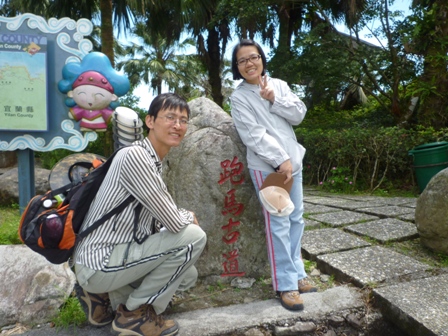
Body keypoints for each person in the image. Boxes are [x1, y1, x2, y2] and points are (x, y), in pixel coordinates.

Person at [73, 93, 207, 336]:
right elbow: (176, 222)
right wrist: (189, 216)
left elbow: (157, 222)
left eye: (183, 120)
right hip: (101, 260)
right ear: (150, 121)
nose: (177, 125)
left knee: (187, 276)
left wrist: (182, 216)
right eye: (170, 117)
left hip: (115, 254)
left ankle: (104, 296)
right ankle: (133, 315)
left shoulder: (153, 161)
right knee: (194, 237)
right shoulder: (135, 157)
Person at [229, 39, 316, 311]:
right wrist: (281, 160)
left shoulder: (279, 85)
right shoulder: (239, 97)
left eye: (253, 57)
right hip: (268, 166)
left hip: (294, 163)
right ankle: (286, 284)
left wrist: (274, 99)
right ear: (237, 67)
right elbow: (253, 136)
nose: (249, 64)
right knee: (278, 222)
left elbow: (299, 114)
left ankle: (298, 273)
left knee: (296, 218)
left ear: (262, 59)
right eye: (242, 61)